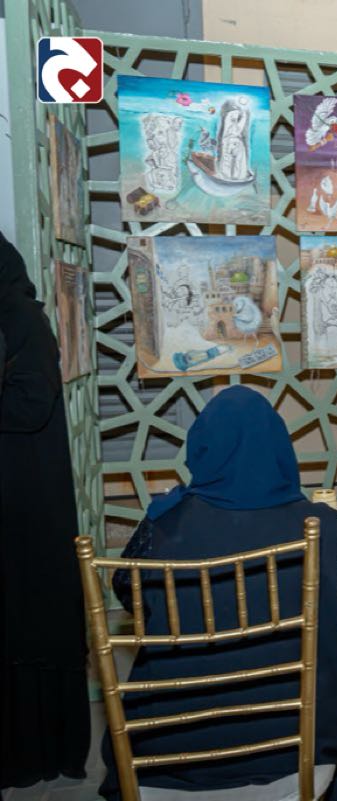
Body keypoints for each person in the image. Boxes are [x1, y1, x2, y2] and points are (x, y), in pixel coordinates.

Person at [100, 386, 337, 801]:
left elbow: (132, 598)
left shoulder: (162, 527)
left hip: (173, 739)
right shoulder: (325, 527)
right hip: (303, 732)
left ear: (202, 448)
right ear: (280, 448)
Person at [0, 232, 91, 790]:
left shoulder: (23, 322)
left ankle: (42, 753)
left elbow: (30, 404)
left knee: (33, 621)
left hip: (29, 500)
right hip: (13, 498)